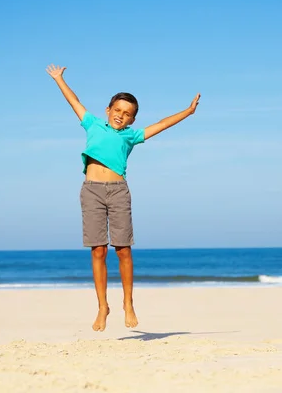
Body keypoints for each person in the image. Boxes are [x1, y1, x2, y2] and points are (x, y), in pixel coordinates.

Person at [46, 64, 200, 331]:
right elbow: (75, 101)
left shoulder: (131, 136)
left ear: (132, 119)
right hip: (91, 190)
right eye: (117, 110)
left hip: (118, 192)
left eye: (127, 113)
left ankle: (128, 303)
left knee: (123, 250)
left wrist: (188, 111)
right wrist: (60, 79)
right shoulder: (92, 124)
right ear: (108, 111)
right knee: (98, 250)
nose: (121, 115)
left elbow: (162, 124)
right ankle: (102, 306)